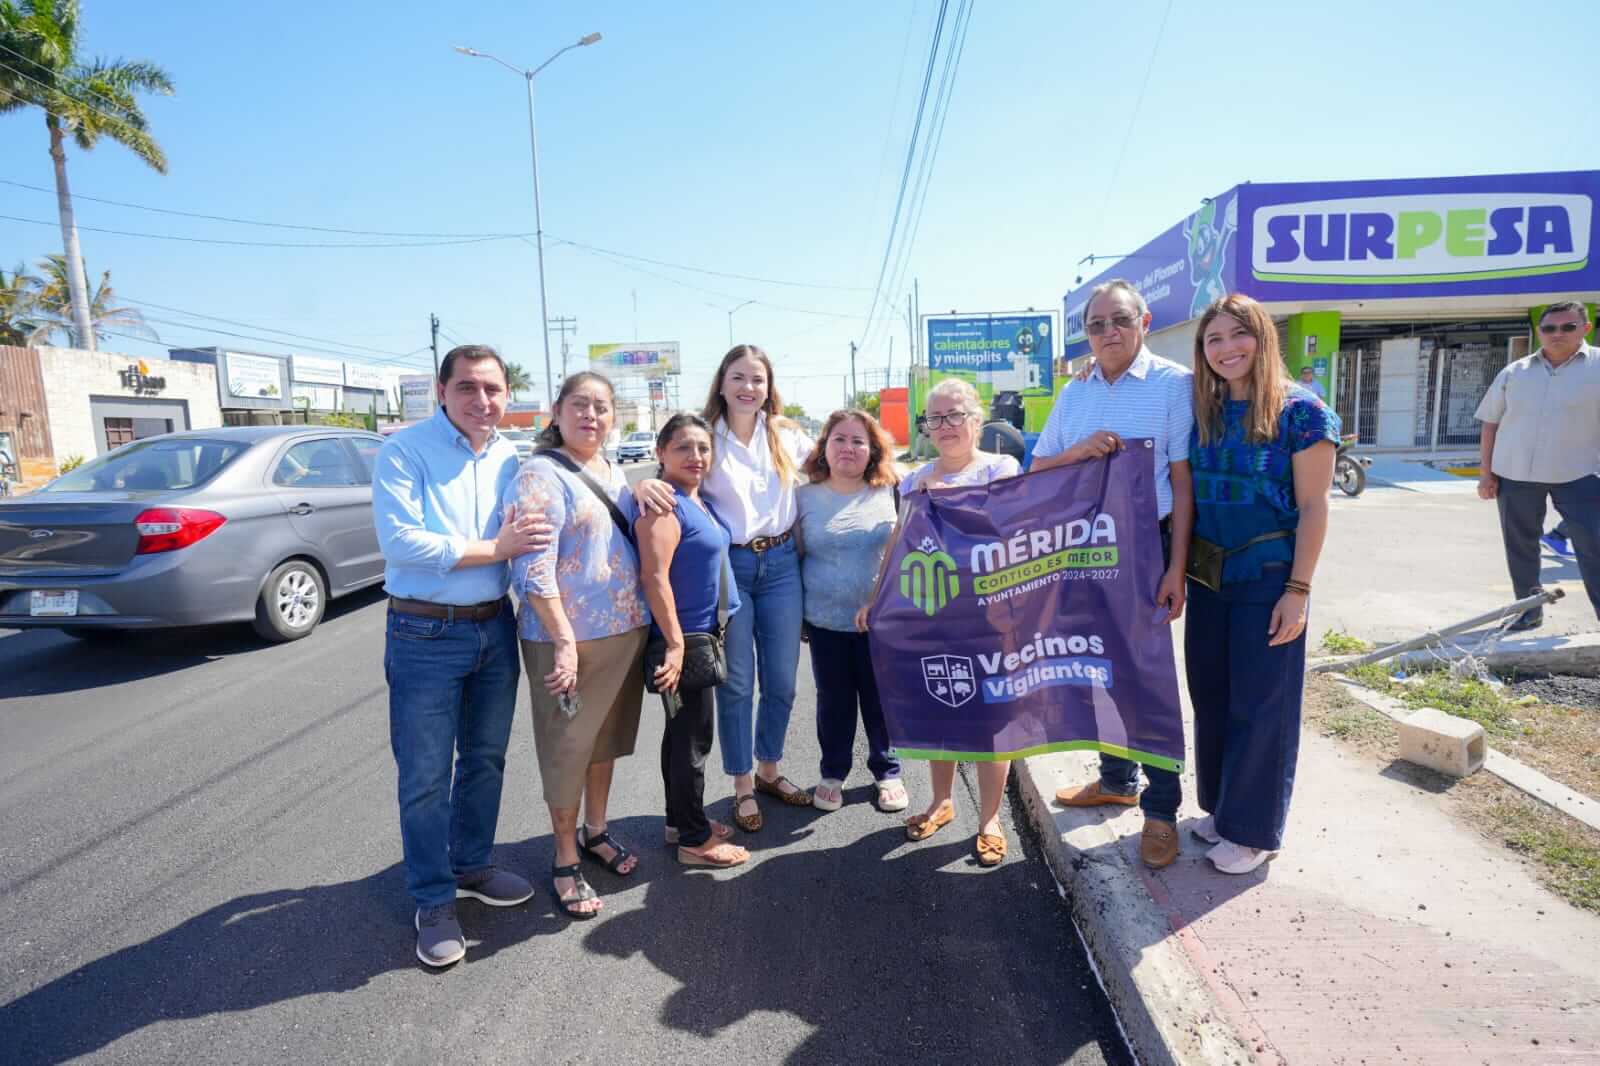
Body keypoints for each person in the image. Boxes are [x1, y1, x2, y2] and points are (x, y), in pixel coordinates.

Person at [372, 344, 552, 968]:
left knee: (484, 760)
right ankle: (432, 897)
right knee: (424, 776)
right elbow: (400, 542)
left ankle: (471, 865)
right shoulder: (404, 450)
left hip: (493, 628)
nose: (482, 401)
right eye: (468, 388)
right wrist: (494, 547)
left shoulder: (511, 455)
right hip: (424, 634)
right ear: (441, 390)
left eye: (493, 390)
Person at [1031, 279, 1196, 871]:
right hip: (1080, 550)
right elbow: (1039, 464)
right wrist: (1078, 453)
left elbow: (1181, 483)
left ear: (1145, 320)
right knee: (1098, 669)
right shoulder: (1074, 393)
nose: (1107, 333)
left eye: (1118, 320)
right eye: (1096, 324)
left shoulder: (1175, 386)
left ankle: (1161, 809)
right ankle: (1117, 778)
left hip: (1143, 550)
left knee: (1148, 680)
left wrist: (1175, 566)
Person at [1186, 293, 1338, 873]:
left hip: (1270, 575)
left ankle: (1252, 832)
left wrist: (1298, 591)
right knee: (1212, 695)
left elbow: (1316, 506)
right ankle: (1224, 809)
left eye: (1237, 335)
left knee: (1261, 703)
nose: (1227, 349)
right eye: (1214, 339)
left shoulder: (1302, 412)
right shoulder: (1205, 408)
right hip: (1208, 576)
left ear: (1263, 337)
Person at [635, 345, 814, 832]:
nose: (748, 388)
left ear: (768, 387)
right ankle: (741, 786)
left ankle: (770, 769)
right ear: (721, 382)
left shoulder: (786, 435)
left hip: (780, 564)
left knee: (781, 681)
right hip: (730, 566)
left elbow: (837, 470)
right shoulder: (706, 438)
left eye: (757, 379)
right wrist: (637, 488)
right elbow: (669, 480)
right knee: (736, 683)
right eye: (738, 377)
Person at [502, 371, 651, 919]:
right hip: (565, 639)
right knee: (567, 748)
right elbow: (532, 566)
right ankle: (564, 857)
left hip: (623, 631)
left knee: (604, 742)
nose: (591, 415)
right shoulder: (539, 474)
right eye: (580, 405)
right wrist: (563, 639)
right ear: (557, 412)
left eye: (602, 407)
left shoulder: (613, 472)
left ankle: (596, 831)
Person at [895, 378, 1020, 866]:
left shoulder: (1002, 468)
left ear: (976, 420)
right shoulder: (913, 479)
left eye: (954, 416)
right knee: (940, 710)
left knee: (994, 719)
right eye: (935, 418)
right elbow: (903, 547)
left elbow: (1011, 526)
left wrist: (949, 495)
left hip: (993, 617)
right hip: (935, 617)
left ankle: (989, 819)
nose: (944, 427)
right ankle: (940, 801)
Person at [629, 413, 750, 868]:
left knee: (682, 737)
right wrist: (676, 644)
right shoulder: (664, 505)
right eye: (683, 447)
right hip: (684, 640)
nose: (695, 456)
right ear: (661, 453)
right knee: (692, 742)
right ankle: (695, 841)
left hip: (703, 634)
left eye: (702, 448)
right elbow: (654, 577)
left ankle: (679, 821)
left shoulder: (696, 500)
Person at [795, 408, 907, 813]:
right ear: (824, 446)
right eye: (839, 439)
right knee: (834, 700)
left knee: (879, 699)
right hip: (824, 621)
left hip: (879, 621)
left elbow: (907, 551)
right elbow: (796, 555)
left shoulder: (892, 489)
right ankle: (833, 773)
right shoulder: (803, 496)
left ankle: (887, 770)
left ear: (873, 450)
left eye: (858, 441)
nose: (848, 448)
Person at [1475, 301, 1600, 630]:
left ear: (1585, 329)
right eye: (1549, 328)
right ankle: (1528, 612)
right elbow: (1490, 422)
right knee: (1521, 548)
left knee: (1594, 548)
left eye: (1567, 327)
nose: (1557, 334)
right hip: (1516, 475)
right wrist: (1486, 473)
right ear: (1539, 331)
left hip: (1581, 474)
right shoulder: (1515, 372)